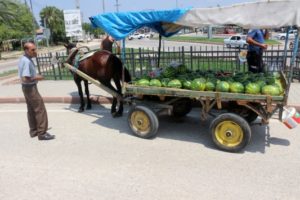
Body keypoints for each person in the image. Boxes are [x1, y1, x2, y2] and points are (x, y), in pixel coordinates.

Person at [18, 42, 55, 140]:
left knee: (31, 110)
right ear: (26, 50)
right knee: (40, 109)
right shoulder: (26, 61)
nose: (35, 51)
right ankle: (42, 133)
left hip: (26, 88)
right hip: (30, 88)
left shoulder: (24, 59)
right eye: (32, 50)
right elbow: (26, 78)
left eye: (35, 49)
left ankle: (34, 131)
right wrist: (37, 77)